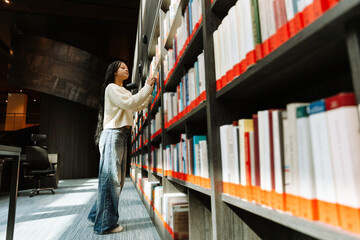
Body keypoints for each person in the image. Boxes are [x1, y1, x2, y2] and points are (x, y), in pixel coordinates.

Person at [87, 60, 156, 234]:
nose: (126, 69)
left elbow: (137, 105)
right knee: (111, 181)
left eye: (127, 67)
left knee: (115, 180)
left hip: (121, 136)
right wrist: (147, 87)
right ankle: (105, 224)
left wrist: (148, 93)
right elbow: (131, 103)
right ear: (114, 71)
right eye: (122, 67)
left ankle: (97, 215)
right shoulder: (111, 88)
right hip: (113, 135)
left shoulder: (123, 91)